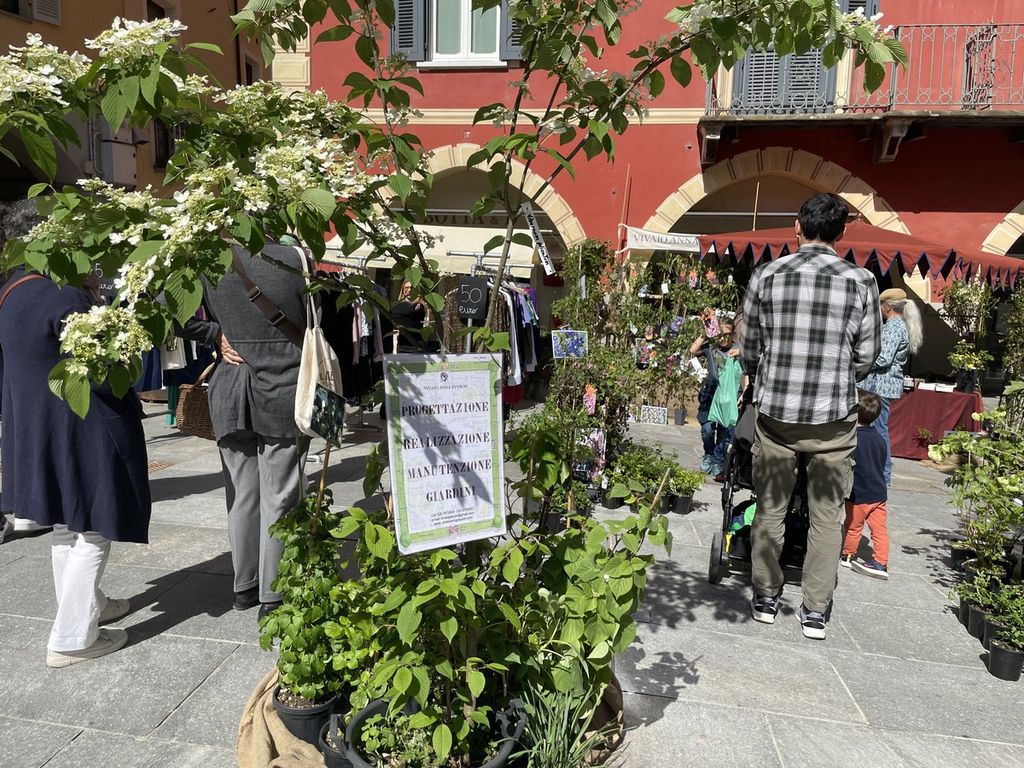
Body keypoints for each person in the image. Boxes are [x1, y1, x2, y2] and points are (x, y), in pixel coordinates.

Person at [0, 198, 150, 667]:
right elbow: (108, 372)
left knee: (67, 524)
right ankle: (72, 638)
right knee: (96, 526)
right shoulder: (64, 295)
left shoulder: (12, 290)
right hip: (82, 428)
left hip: (37, 427)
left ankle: (89, 607)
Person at [739, 192, 881, 640]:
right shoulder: (861, 281)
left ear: (797, 227)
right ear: (841, 233)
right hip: (833, 418)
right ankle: (815, 610)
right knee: (827, 515)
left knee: (770, 507)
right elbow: (868, 355)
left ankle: (766, 596)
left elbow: (749, 347)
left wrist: (761, 374)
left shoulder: (767, 274)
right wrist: (837, 375)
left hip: (777, 414)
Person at [181, 242, 309, 620]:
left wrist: (214, 333)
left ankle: (245, 586)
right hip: (284, 387)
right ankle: (274, 593)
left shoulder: (209, 257)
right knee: (280, 494)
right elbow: (318, 324)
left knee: (241, 494)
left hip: (230, 387)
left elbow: (168, 312)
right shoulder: (295, 258)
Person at [861, 288, 923, 486]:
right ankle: (880, 473)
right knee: (878, 429)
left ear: (887, 306)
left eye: (881, 305)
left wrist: (858, 362)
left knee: (879, 430)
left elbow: (883, 358)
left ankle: (883, 474)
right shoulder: (896, 325)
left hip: (882, 385)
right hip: (882, 385)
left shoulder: (894, 326)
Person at [841, 390, 890, 579]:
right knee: (880, 530)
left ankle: (848, 555)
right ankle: (881, 562)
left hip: (859, 493)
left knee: (853, 526)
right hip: (878, 493)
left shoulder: (853, 439)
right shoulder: (880, 438)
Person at [689, 318, 739, 476]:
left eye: (727, 334)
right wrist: (707, 333)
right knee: (707, 429)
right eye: (721, 335)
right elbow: (693, 350)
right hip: (710, 395)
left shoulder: (738, 349)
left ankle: (718, 461)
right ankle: (708, 454)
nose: (723, 338)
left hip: (728, 397)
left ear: (733, 334)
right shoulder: (711, 347)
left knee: (725, 433)